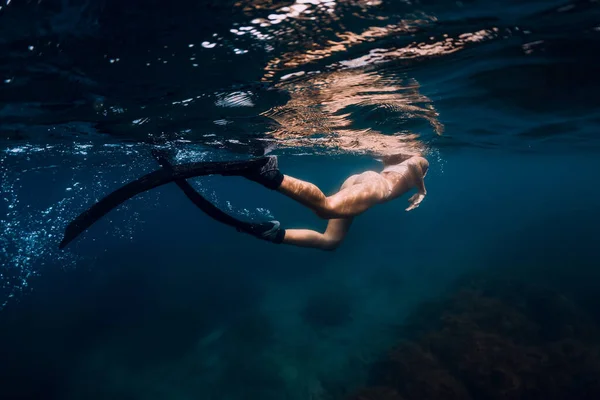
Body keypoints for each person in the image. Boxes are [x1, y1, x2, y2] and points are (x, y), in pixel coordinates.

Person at [241, 153, 429, 250]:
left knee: (331, 241)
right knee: (326, 209)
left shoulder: (397, 155)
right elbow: (414, 163)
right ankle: (270, 174)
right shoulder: (419, 158)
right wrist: (421, 190)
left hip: (364, 180)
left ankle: (274, 233)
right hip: (378, 186)